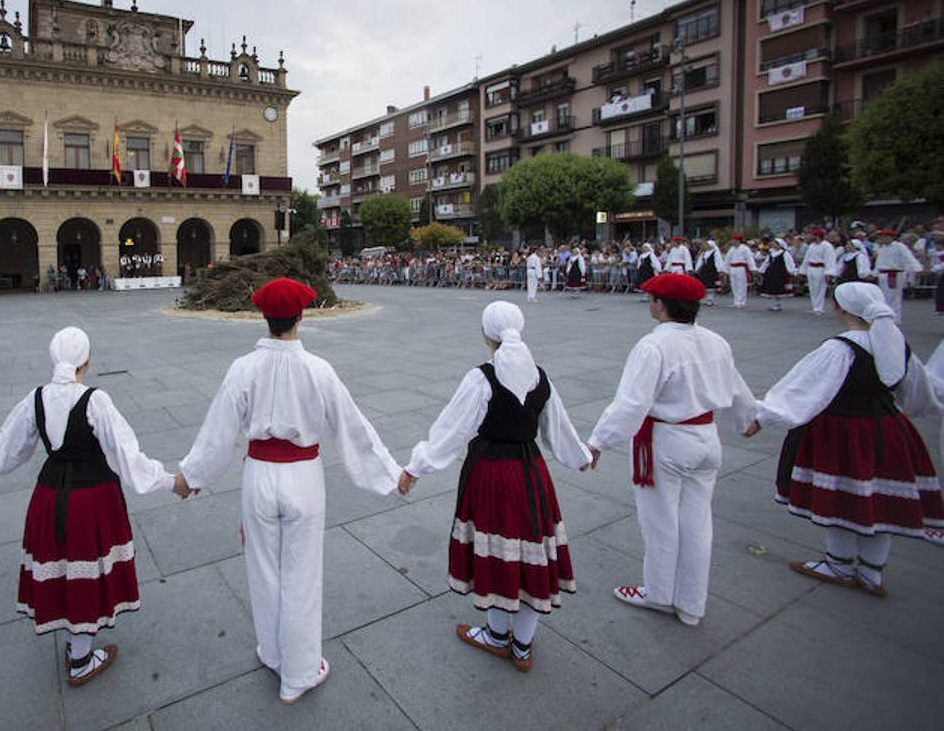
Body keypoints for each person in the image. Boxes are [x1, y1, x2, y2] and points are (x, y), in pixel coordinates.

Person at [176, 278, 402, 704]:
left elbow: (218, 431)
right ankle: (299, 672)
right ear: (300, 316)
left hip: (259, 475)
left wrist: (192, 476)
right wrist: (392, 474)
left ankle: (274, 653)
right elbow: (353, 428)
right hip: (302, 476)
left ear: (264, 316)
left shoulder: (242, 368)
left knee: (264, 569)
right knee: (302, 574)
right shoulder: (319, 369)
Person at [0, 327, 179, 687]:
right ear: (87, 360)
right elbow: (126, 456)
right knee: (84, 564)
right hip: (92, 496)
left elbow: (10, 447)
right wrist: (170, 481)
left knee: (61, 564)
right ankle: (82, 658)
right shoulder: (95, 400)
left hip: (49, 493)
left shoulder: (35, 397)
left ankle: (75, 643)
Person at [398, 302, 591, 672]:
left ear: (487, 335)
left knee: (499, 548)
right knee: (530, 548)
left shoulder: (481, 378)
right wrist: (581, 456)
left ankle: (497, 635)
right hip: (530, 473)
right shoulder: (540, 377)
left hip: (490, 473)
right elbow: (559, 431)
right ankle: (522, 645)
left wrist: (416, 466)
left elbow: (451, 431)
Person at [744, 283, 942, 594]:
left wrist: (762, 416)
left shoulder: (841, 348)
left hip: (842, 430)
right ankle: (872, 573)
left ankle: (838, 564)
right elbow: (918, 390)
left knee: (839, 494)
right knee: (876, 498)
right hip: (887, 428)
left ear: (843, 309)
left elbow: (802, 388)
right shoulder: (894, 342)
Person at [586, 274, 756, 626]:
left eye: (652, 299)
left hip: (668, 439)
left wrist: (599, 441)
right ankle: (692, 604)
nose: (650, 304)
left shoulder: (655, 346)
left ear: (662, 305)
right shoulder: (715, 341)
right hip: (707, 437)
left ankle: (660, 593)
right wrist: (746, 419)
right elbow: (735, 386)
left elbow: (632, 402)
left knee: (661, 520)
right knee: (697, 522)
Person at [872, 229, 923, 321]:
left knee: (894, 296)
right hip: (883, 274)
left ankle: (894, 317)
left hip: (894, 274)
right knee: (884, 295)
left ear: (890, 237)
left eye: (883, 237)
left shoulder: (899, 247)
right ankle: (886, 315)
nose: (881, 239)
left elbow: (908, 257)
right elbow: (879, 262)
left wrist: (917, 268)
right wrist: (874, 273)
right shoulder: (882, 248)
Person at [800, 229, 836, 315]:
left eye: (811, 235)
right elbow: (806, 259)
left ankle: (819, 308)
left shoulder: (827, 246)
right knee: (812, 288)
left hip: (820, 269)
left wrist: (829, 273)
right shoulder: (811, 246)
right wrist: (802, 271)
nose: (809, 237)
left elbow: (830, 259)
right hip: (811, 268)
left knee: (820, 288)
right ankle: (815, 306)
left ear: (817, 236)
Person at [758, 238, 796, 312]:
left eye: (776, 244)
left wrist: (792, 271)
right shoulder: (771, 253)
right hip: (772, 273)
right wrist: (761, 270)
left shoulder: (784, 253)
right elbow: (766, 263)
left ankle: (778, 304)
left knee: (779, 288)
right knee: (773, 288)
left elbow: (789, 262)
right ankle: (776, 304)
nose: (774, 245)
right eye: (774, 243)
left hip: (780, 273)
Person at [724, 235, 757, 310]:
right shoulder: (731, 249)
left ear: (738, 240)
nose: (732, 241)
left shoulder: (745, 248)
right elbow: (727, 259)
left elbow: (749, 258)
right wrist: (725, 270)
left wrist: (753, 268)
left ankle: (741, 302)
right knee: (734, 285)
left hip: (741, 268)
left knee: (741, 285)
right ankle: (736, 302)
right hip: (732, 268)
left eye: (733, 240)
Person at [694, 240, 724, 307]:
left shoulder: (715, 253)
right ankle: (705, 299)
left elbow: (718, 262)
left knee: (711, 286)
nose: (704, 246)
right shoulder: (703, 253)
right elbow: (700, 262)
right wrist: (697, 269)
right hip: (704, 272)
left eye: (706, 245)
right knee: (705, 285)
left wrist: (719, 270)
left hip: (712, 271)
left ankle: (710, 300)